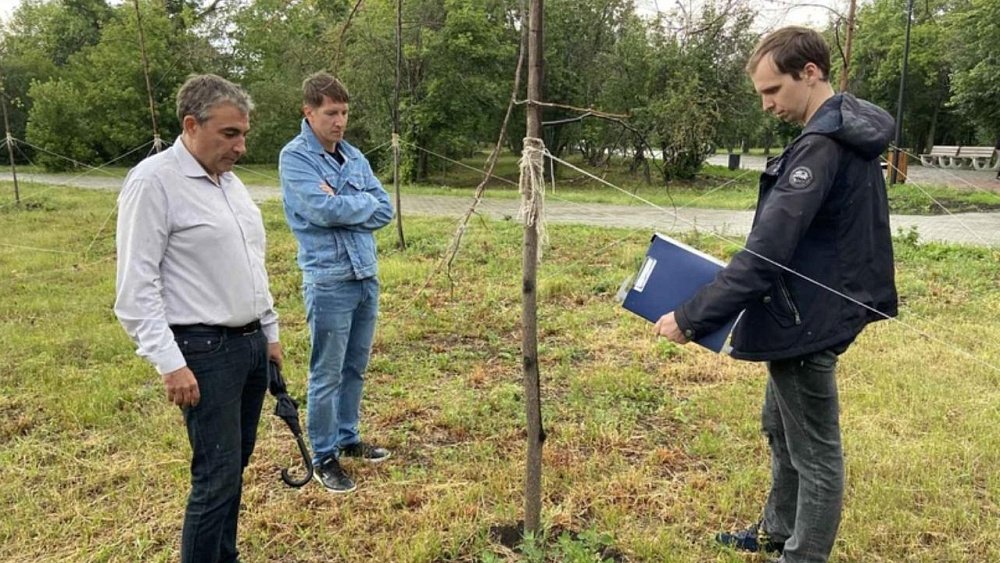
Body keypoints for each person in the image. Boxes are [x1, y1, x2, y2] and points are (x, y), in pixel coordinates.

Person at [653, 27, 898, 563]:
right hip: (809, 307)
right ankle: (774, 531)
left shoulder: (824, 145)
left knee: (814, 450)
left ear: (809, 73)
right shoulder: (843, 131)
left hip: (808, 317)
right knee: (780, 427)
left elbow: (766, 253)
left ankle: (802, 555)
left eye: (772, 91)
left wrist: (691, 318)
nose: (767, 105)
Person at [114, 74, 282, 563]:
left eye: (244, 134)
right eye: (230, 134)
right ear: (191, 125)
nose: (241, 146)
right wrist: (170, 362)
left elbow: (253, 262)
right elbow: (135, 287)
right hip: (204, 352)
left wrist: (268, 334)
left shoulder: (230, 184)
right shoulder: (154, 182)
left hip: (249, 347)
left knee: (234, 470)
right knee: (215, 477)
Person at [279, 72, 394, 493]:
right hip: (328, 278)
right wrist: (354, 204)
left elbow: (384, 210)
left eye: (344, 112)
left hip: (365, 274)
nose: (339, 121)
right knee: (326, 371)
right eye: (331, 113)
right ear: (308, 113)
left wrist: (346, 201)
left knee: (355, 366)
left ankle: (348, 437)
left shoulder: (354, 156)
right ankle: (325, 454)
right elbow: (318, 210)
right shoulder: (295, 158)